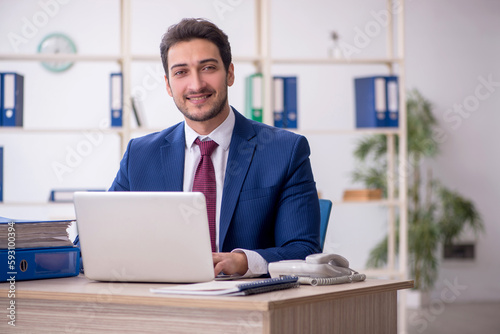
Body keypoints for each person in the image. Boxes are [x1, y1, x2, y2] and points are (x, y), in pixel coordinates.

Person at [109, 18, 321, 278]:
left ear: (230, 73)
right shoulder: (139, 155)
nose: (196, 85)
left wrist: (245, 262)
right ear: (167, 84)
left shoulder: (285, 151)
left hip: (246, 303)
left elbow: (303, 249)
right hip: (159, 297)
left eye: (208, 68)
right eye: (181, 72)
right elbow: (97, 241)